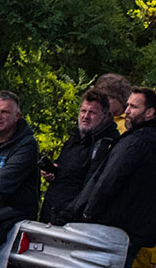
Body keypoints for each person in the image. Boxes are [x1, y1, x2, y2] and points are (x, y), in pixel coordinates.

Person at [67, 87, 156, 268]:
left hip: (111, 227)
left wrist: (87, 213)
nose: (127, 111)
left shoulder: (135, 142)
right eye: (127, 105)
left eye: (134, 107)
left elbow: (108, 181)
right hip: (135, 232)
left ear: (150, 113)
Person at [40, 90, 119, 225]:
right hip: (51, 213)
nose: (86, 116)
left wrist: (64, 218)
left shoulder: (105, 145)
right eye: (83, 111)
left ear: (105, 115)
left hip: (73, 222)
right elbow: (66, 169)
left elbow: (92, 188)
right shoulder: (75, 138)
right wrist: (53, 171)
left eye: (92, 112)